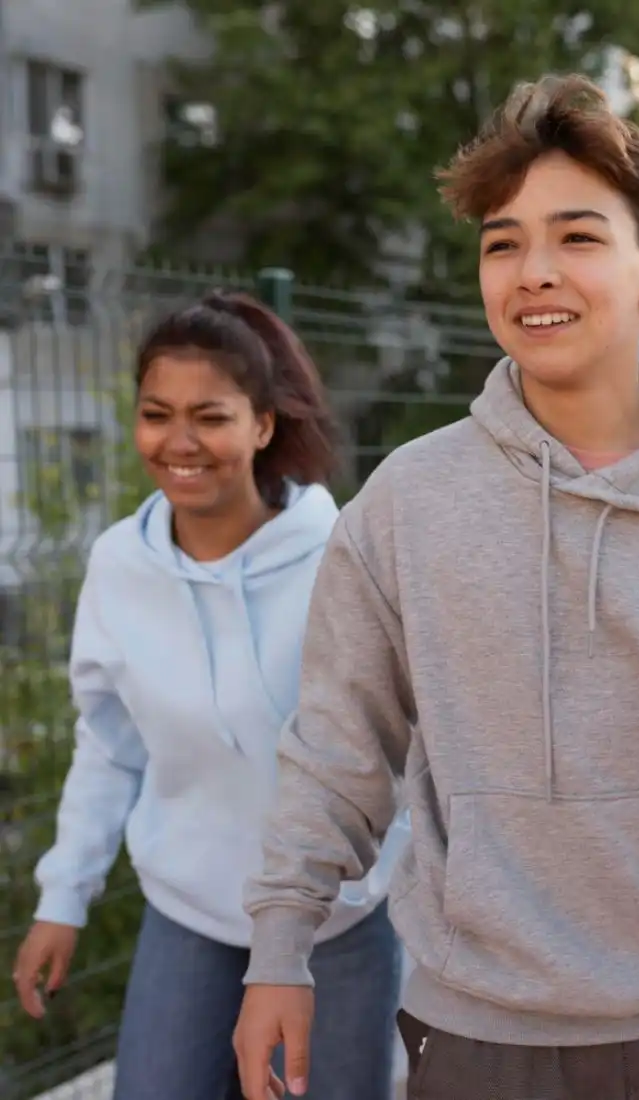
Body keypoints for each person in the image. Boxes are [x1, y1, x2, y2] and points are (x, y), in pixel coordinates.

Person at [232, 73, 639, 1100]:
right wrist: (281, 945)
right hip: (467, 1030)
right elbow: (337, 744)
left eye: (578, 237)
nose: (534, 272)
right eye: (502, 244)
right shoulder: (408, 500)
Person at [10, 293, 407, 1099]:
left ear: (263, 425)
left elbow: (399, 747)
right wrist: (64, 897)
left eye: (210, 417)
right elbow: (110, 746)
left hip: (335, 919)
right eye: (156, 414)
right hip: (191, 912)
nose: (179, 442)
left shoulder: (343, 560)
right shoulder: (119, 565)